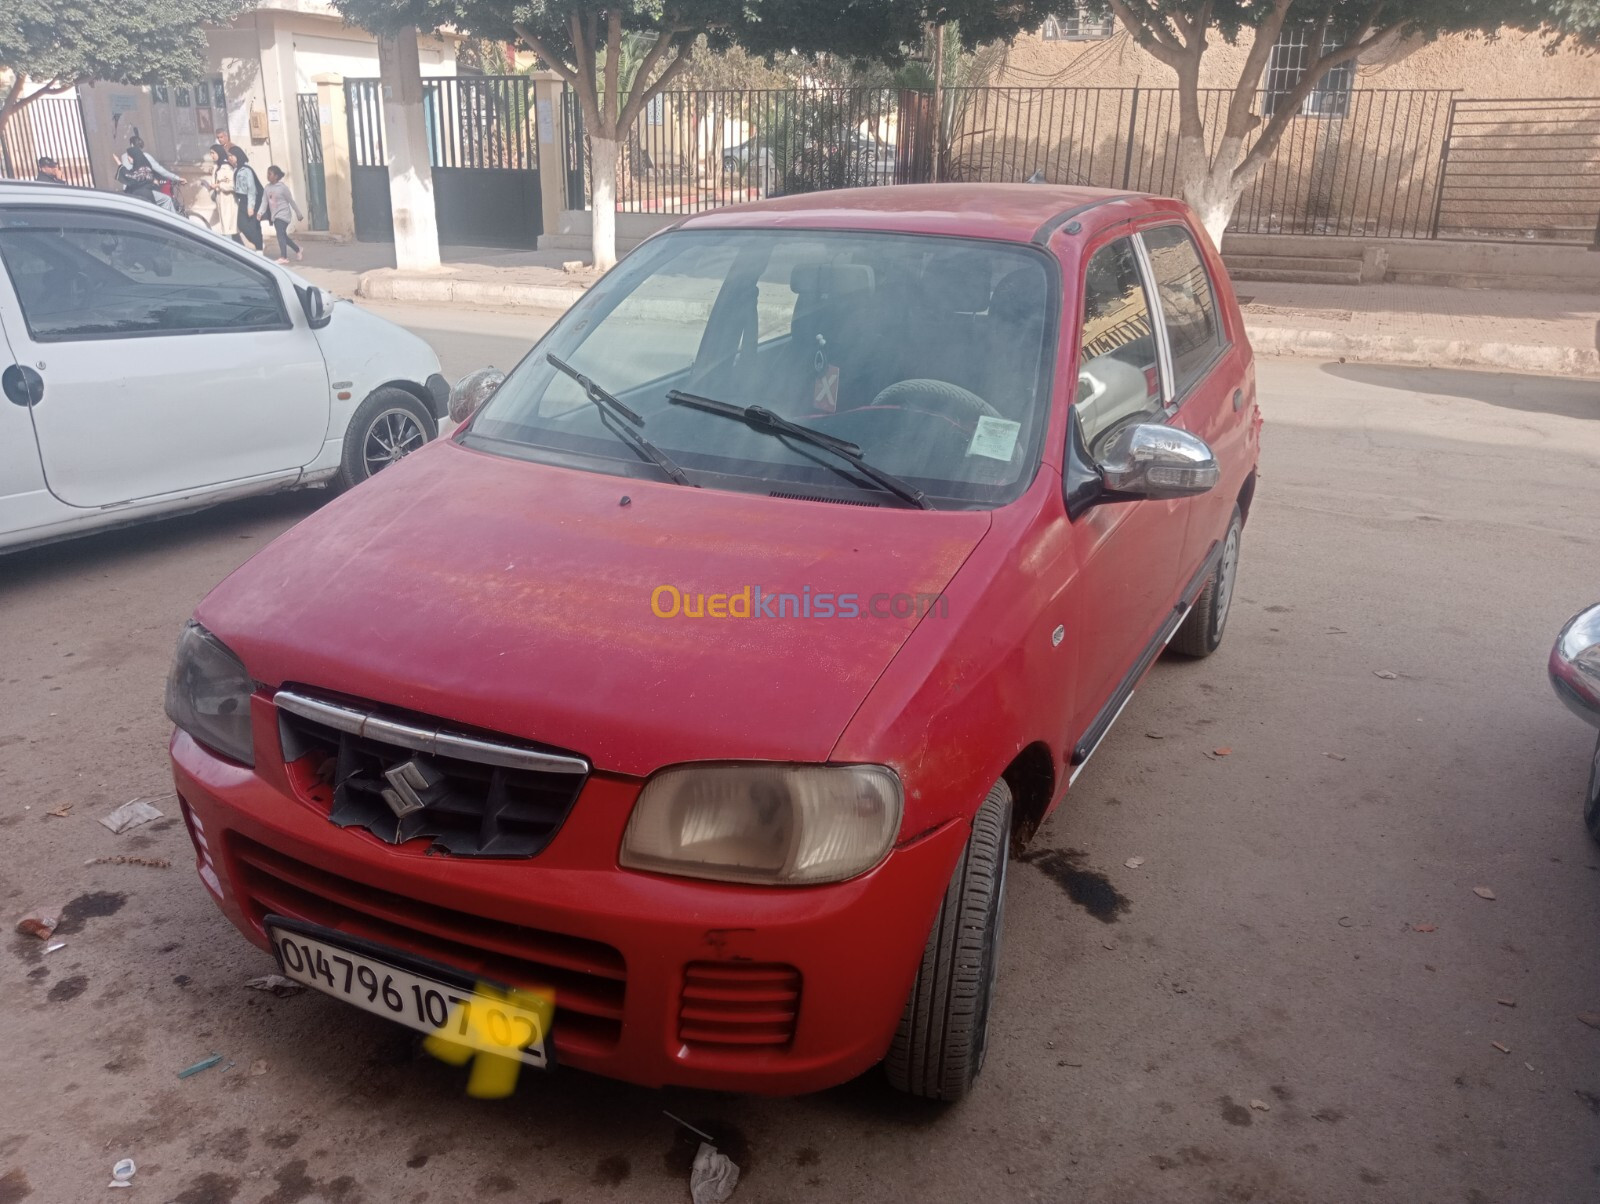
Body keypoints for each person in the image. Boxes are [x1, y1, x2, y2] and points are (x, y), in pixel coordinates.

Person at [257, 165, 305, 264]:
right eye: (267, 174)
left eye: (270, 174)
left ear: (276, 176)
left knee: (280, 233)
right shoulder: (267, 188)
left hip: (284, 214)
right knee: (282, 236)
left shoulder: (283, 188)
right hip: (274, 215)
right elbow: (264, 202)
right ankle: (298, 249)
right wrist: (260, 212)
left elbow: (291, 201)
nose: (268, 176)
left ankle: (284, 257)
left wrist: (298, 214)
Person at [119, 134, 180, 210]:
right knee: (165, 200)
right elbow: (161, 171)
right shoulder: (145, 156)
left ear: (131, 144)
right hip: (142, 190)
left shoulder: (124, 156)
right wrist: (176, 178)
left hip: (128, 190)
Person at [227, 146, 265, 254]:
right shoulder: (236, 169)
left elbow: (251, 189)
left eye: (231, 156)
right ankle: (259, 244)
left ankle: (259, 248)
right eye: (229, 156)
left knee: (252, 226)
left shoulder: (245, 170)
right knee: (242, 225)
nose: (230, 158)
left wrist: (250, 207)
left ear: (238, 156)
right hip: (242, 200)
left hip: (249, 200)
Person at [199, 147, 238, 241]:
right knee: (228, 229)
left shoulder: (227, 167)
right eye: (210, 153)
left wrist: (218, 185)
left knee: (229, 230)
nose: (211, 155)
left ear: (219, 153)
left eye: (213, 153)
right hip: (221, 201)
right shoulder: (217, 167)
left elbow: (233, 185)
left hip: (229, 202)